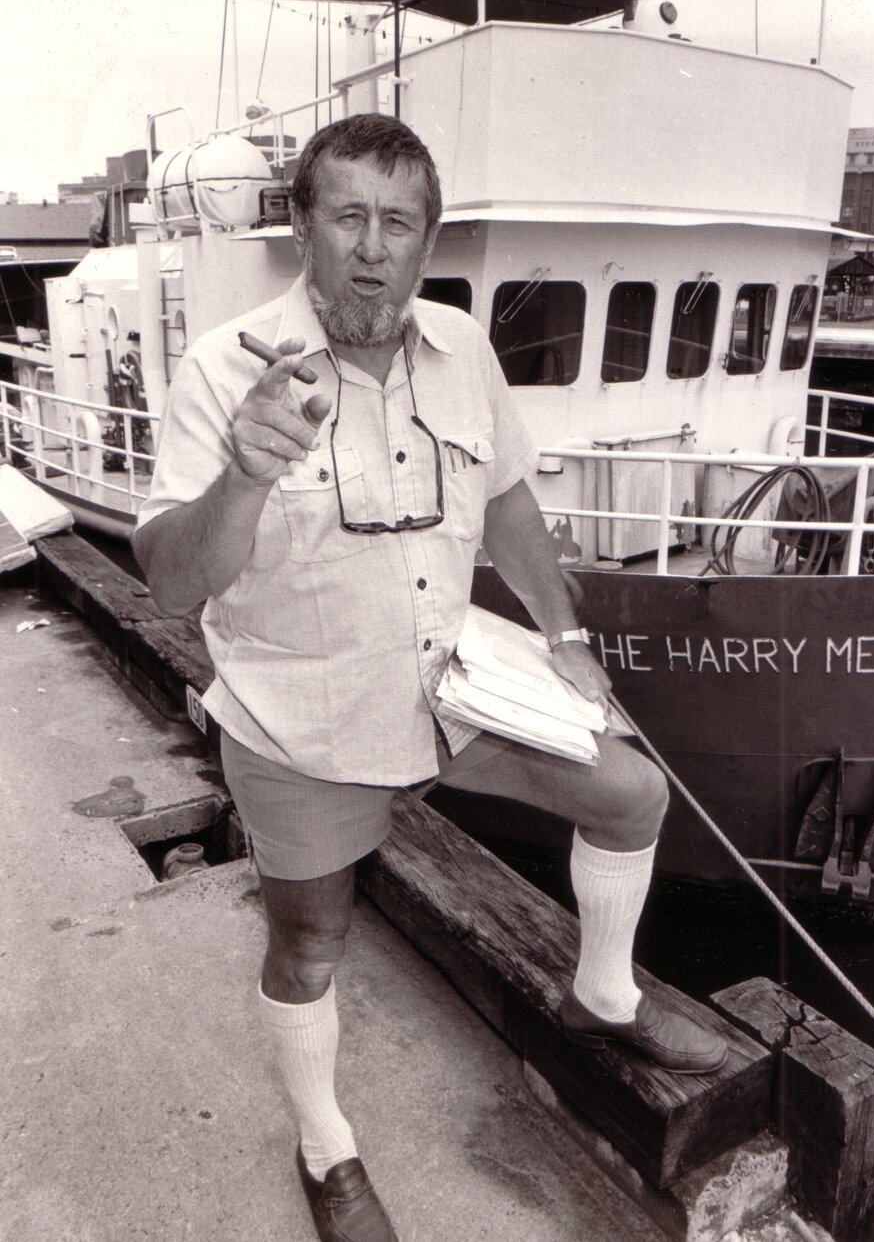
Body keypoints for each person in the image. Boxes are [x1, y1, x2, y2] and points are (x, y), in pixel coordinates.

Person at [133, 113, 725, 1242]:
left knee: (632, 793)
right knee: (311, 944)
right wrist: (245, 476)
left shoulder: (466, 349)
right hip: (302, 715)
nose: (371, 247)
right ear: (302, 226)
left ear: (425, 240)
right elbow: (167, 583)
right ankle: (326, 1151)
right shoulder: (226, 370)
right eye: (347, 215)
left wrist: (562, 636)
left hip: (451, 687)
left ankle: (604, 996)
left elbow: (504, 500)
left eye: (397, 222)